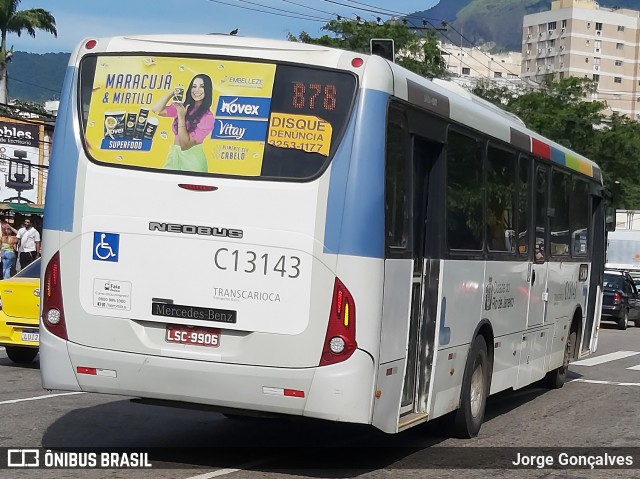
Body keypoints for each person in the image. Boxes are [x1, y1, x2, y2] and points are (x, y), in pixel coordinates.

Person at [151, 74, 215, 172]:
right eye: (194, 86)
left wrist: (181, 118)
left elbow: (185, 145)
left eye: (202, 86)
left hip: (192, 161)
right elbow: (156, 110)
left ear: (207, 90)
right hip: (174, 156)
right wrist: (172, 92)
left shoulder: (207, 117)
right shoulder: (183, 106)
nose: (197, 90)